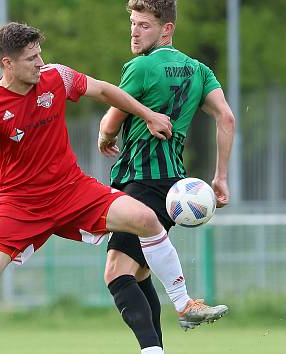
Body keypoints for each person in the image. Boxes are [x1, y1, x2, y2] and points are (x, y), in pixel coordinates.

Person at [0, 22, 183, 354]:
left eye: (40, 54)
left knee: (144, 218)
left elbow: (103, 90)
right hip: (19, 204)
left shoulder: (56, 77)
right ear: (7, 63)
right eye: (31, 58)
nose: (40, 63)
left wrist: (148, 114)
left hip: (72, 190)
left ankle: (183, 305)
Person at [98, 0, 234, 349]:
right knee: (140, 272)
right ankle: (156, 347)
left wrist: (105, 137)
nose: (134, 30)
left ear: (166, 29)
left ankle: (155, 346)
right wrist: (221, 177)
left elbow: (110, 122)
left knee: (116, 271)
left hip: (141, 180)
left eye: (144, 24)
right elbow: (226, 118)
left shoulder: (140, 67)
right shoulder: (199, 70)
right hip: (173, 183)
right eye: (132, 22)